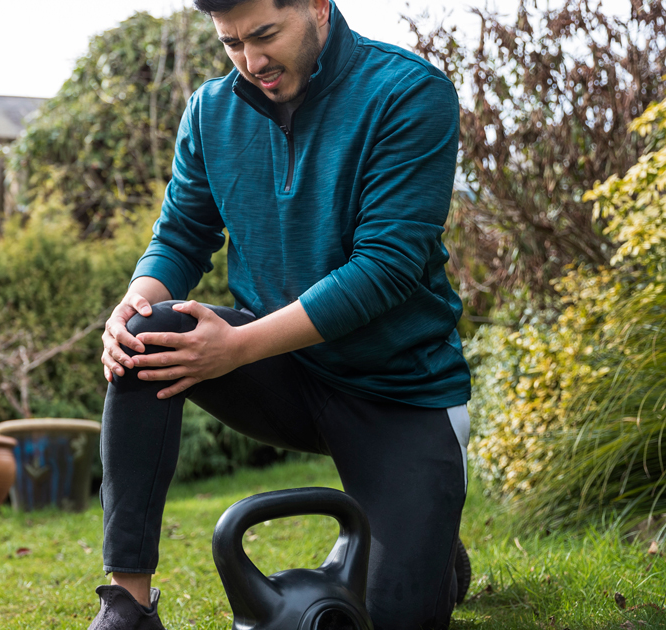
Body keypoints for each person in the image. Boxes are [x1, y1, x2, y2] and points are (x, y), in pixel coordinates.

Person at [87, 0, 472, 629]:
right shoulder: (214, 109)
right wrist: (136, 298)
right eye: (232, 42)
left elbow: (388, 267)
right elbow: (182, 235)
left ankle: (427, 544)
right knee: (144, 337)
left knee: (392, 615)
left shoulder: (408, 93)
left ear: (318, 6)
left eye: (266, 35)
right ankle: (128, 605)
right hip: (284, 373)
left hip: (400, 393)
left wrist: (237, 346)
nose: (252, 61)